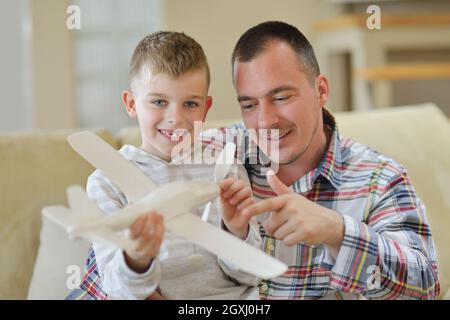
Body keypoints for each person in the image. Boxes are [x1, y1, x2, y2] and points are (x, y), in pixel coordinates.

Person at [224, 21, 440, 299]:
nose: (265, 121)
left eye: (281, 97)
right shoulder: (224, 154)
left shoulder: (381, 178)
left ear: (321, 90)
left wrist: (338, 232)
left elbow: (424, 289)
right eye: (249, 105)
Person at [67, 31, 261, 300]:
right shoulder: (107, 180)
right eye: (159, 102)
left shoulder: (226, 167)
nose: (175, 118)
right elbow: (117, 289)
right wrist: (136, 259)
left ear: (205, 109)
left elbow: (251, 275)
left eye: (190, 104)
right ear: (131, 103)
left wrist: (236, 231)